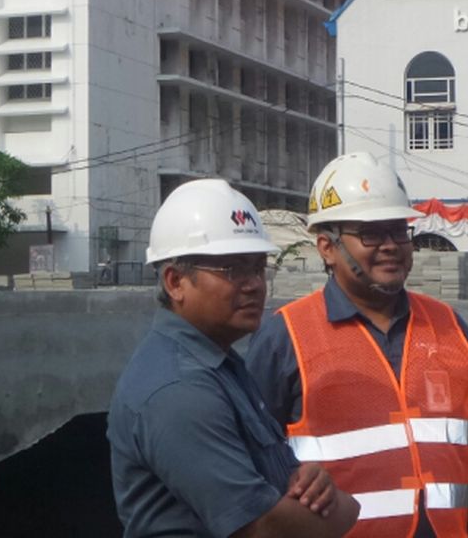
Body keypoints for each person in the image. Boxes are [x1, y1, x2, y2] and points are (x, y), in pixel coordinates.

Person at [248, 152, 468, 538]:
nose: (390, 245)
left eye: (397, 230)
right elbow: (255, 468)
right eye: (371, 233)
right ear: (327, 247)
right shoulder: (284, 338)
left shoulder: (450, 329)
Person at [107, 179, 357, 538]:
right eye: (232, 270)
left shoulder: (221, 366)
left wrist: (313, 482)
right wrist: (343, 508)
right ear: (176, 282)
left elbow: (281, 481)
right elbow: (264, 528)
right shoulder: (178, 389)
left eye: (257, 267)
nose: (254, 284)